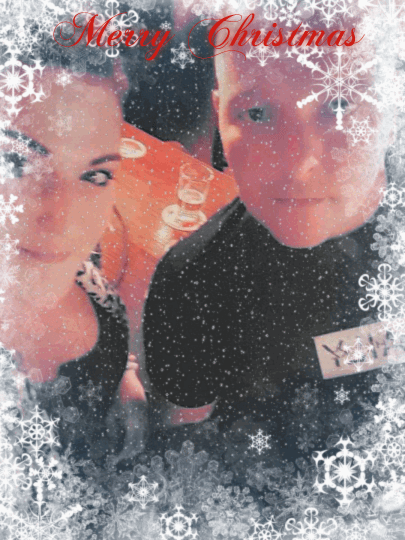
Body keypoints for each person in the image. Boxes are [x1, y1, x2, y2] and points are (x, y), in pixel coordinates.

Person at [143, 6, 402, 462]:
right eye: (257, 112)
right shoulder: (193, 284)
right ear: (219, 115)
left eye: (339, 105)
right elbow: (186, 446)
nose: (298, 166)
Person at [0, 18, 146, 463]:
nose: (61, 219)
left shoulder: (94, 290)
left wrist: (124, 384)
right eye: (17, 163)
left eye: (94, 175)